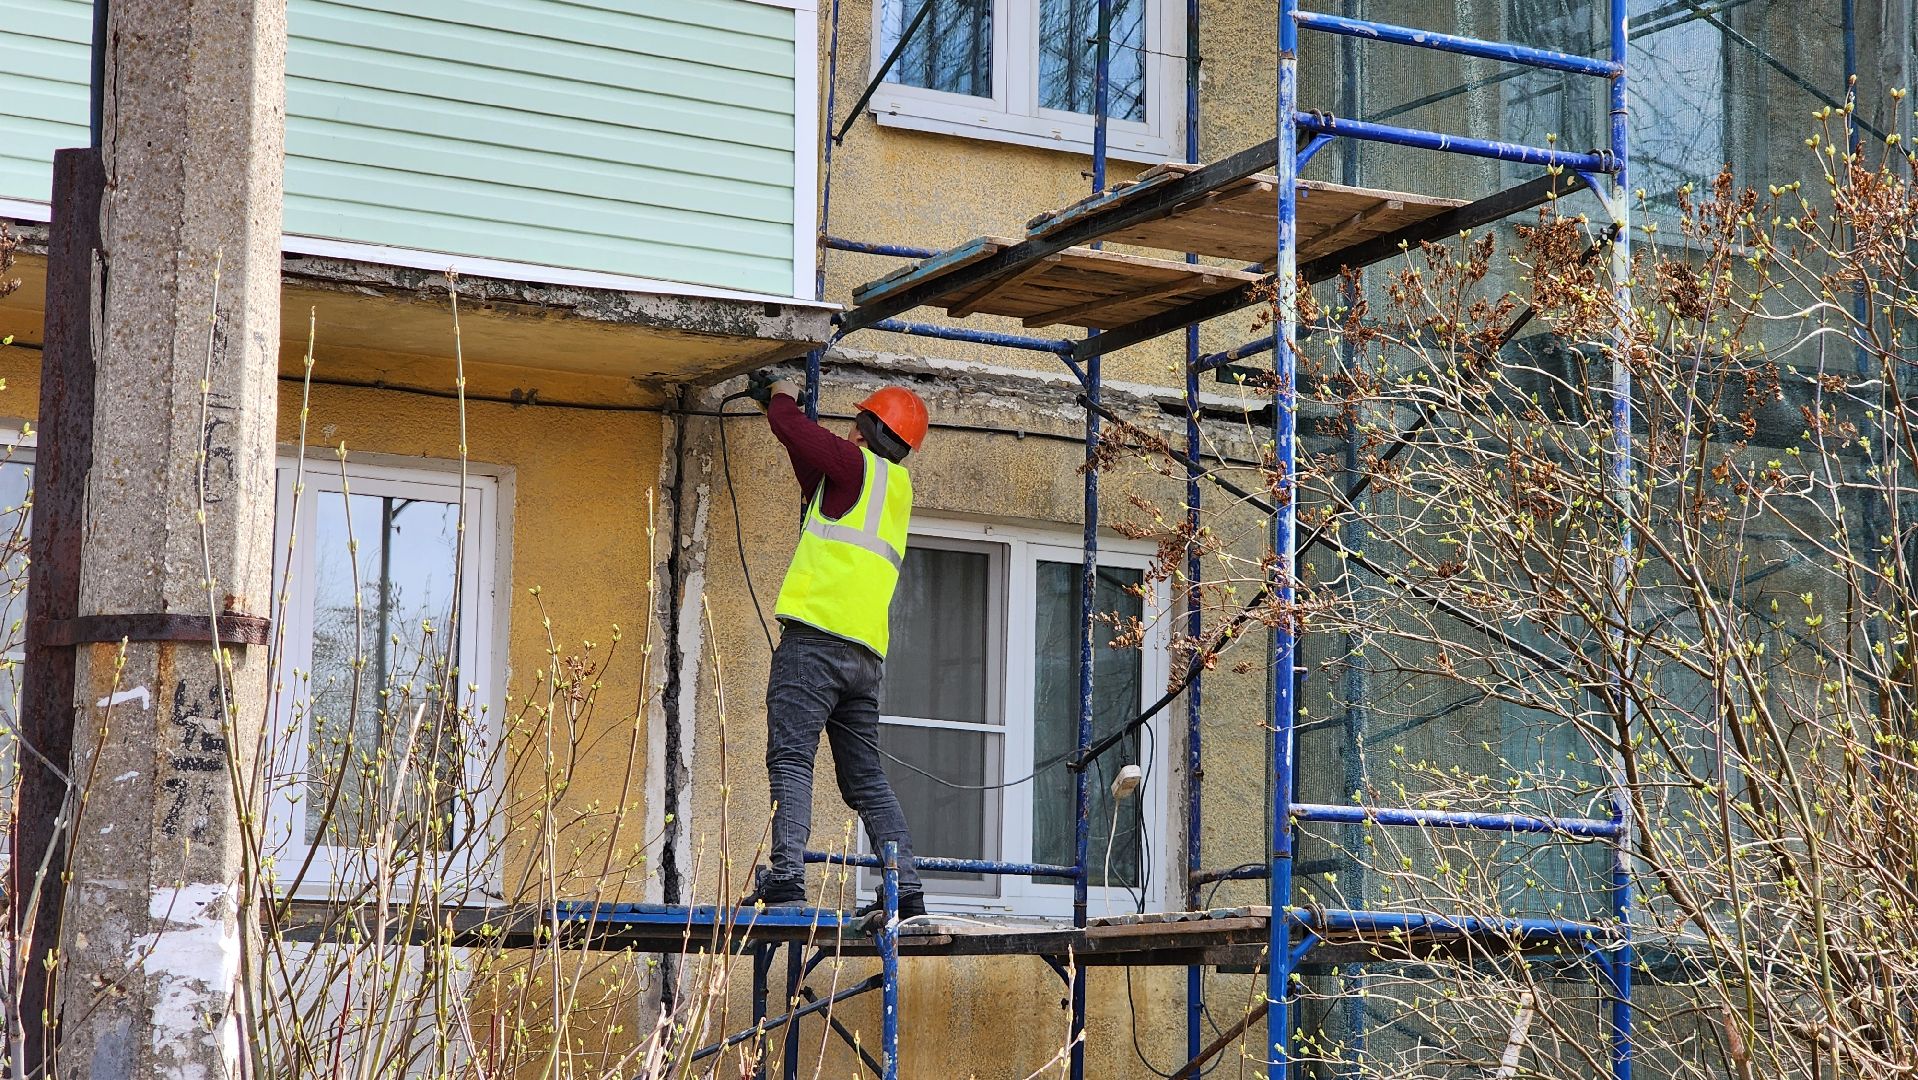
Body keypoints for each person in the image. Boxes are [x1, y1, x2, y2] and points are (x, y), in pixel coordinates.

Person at [739, 374, 931, 920]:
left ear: (869, 430)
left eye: (858, 423)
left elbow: (787, 426)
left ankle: (786, 880)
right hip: (865, 659)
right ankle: (907, 887)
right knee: (865, 777)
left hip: (815, 644)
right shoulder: (893, 490)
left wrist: (778, 392)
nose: (850, 430)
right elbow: (809, 465)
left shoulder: (854, 467)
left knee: (792, 760)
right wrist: (783, 413)